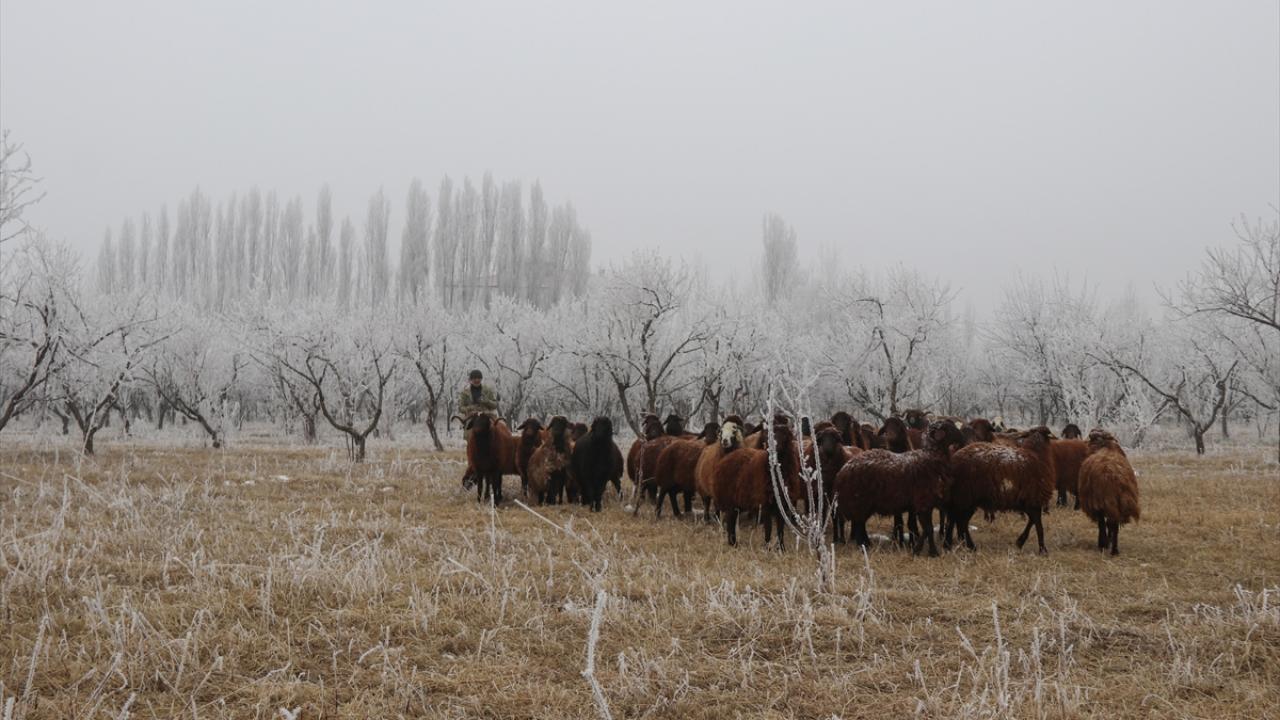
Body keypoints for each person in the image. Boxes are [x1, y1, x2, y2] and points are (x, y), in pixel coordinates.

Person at [458, 369, 498, 490]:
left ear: (481, 379)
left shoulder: (488, 390)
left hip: (486, 419)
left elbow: (495, 404)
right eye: (474, 378)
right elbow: (461, 407)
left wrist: (485, 401)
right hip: (473, 419)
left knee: (496, 435)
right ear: (471, 379)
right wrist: (471, 408)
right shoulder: (465, 392)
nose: (476, 380)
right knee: (473, 443)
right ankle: (474, 467)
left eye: (478, 378)